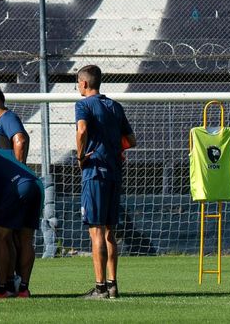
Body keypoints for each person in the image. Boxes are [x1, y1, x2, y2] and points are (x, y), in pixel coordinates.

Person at [75, 64, 135, 300]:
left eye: (77, 83)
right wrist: (113, 149)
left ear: (84, 83)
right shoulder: (115, 106)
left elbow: (81, 131)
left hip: (95, 172)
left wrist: (81, 157)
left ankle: (99, 288)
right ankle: (112, 285)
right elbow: (131, 139)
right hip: (114, 172)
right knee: (110, 232)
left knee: (96, 232)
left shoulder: (83, 105)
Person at [0, 145, 41, 298]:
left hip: (16, 186)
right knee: (26, 240)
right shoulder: (0, 152)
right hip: (35, 184)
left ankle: (2, 289)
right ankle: (23, 289)